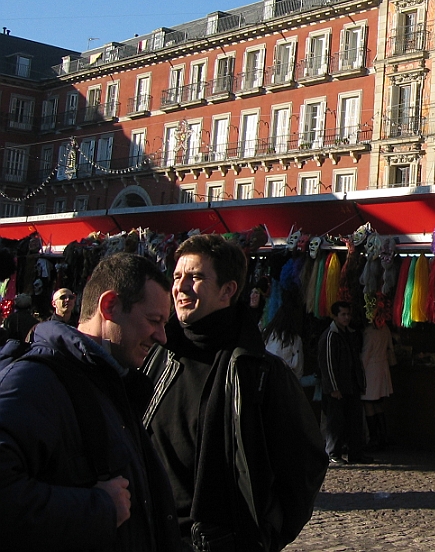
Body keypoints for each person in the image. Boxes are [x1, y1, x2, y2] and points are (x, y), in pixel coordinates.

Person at [143, 234, 327, 552]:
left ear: (227, 290)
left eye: (196, 277)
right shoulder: (155, 356)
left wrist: (265, 536)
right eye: (177, 277)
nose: (180, 287)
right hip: (151, 534)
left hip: (219, 543)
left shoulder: (260, 371)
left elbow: (304, 464)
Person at [0, 252, 179, 551]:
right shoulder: (36, 382)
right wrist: (98, 509)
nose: (162, 336)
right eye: (153, 320)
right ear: (109, 306)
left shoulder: (113, 385)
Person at [318, 301, 371, 464]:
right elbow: (327, 364)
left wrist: (361, 383)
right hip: (337, 387)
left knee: (355, 421)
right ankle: (333, 453)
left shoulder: (351, 334)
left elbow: (356, 361)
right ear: (335, 316)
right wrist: (333, 387)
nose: (346, 317)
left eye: (348, 314)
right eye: (343, 314)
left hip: (352, 385)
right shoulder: (330, 336)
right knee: (336, 422)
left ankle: (356, 453)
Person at [361, 321, 396, 450]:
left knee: (369, 403)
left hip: (371, 370)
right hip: (382, 368)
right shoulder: (385, 328)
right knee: (378, 404)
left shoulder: (370, 332)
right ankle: (383, 436)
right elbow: (390, 347)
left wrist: (359, 372)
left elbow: (366, 354)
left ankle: (374, 437)